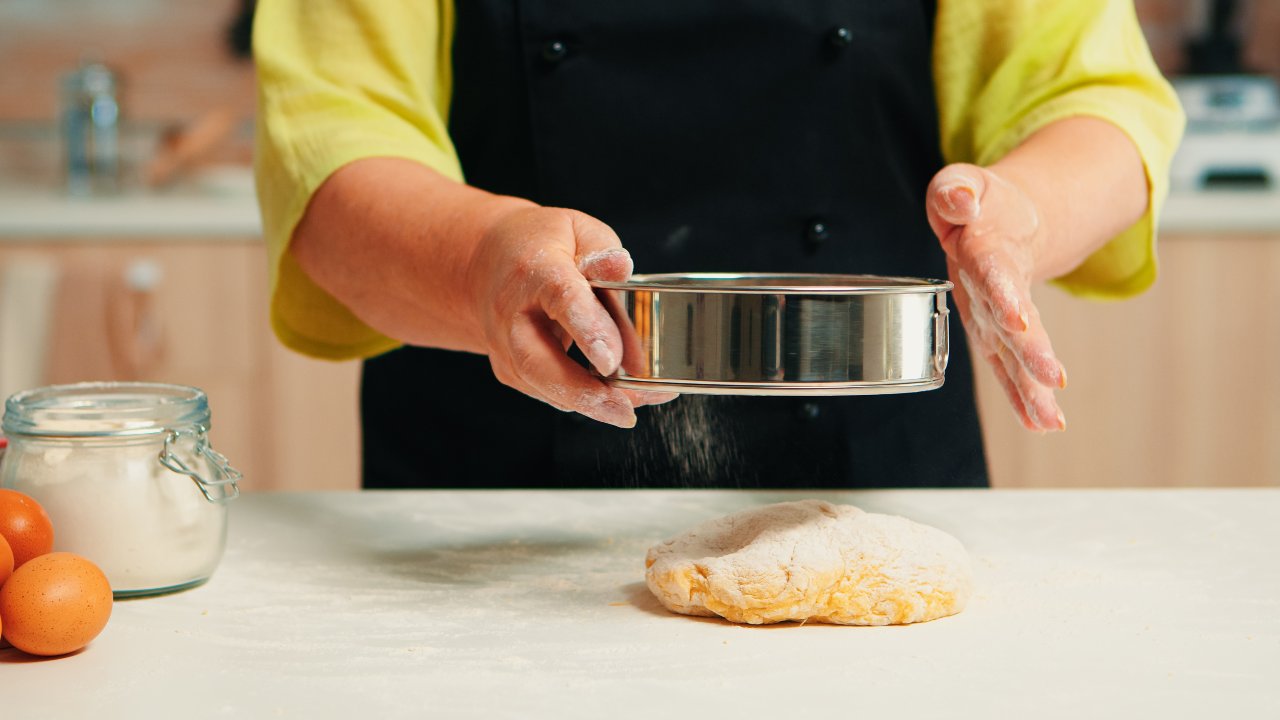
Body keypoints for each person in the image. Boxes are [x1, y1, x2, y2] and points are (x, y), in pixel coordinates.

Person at [252, 1, 1184, 488]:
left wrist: (1023, 213)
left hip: (873, 479)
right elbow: (328, 152)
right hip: (492, 501)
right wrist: (482, 255)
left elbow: (1097, 100)